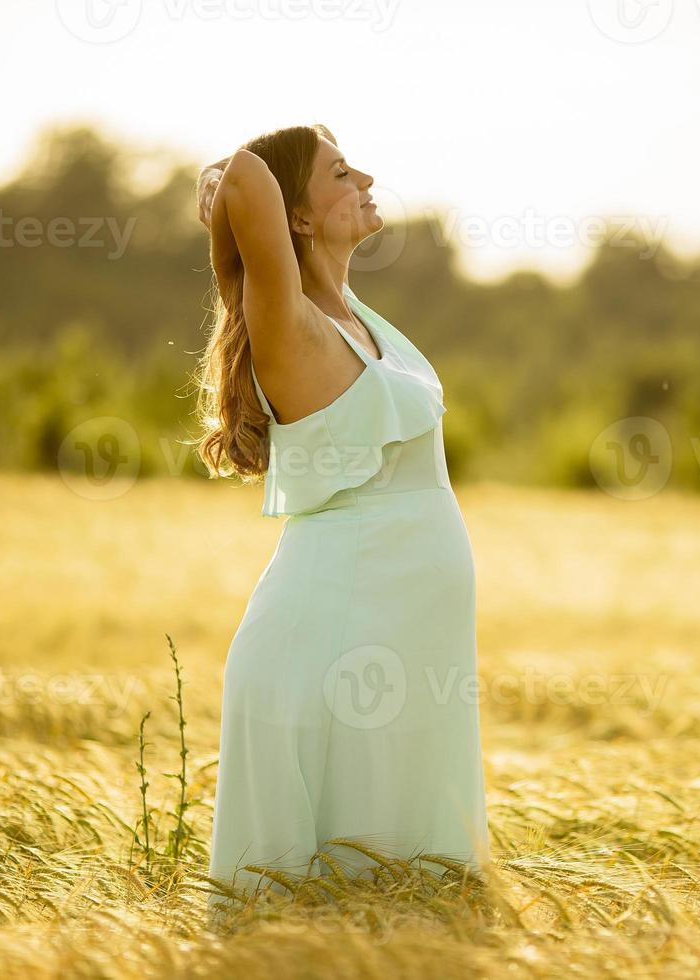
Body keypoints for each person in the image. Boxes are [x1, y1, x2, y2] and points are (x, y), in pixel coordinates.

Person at [190, 125, 490, 912]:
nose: (365, 176)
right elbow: (249, 176)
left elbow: (257, 185)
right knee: (323, 913)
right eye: (338, 171)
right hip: (336, 650)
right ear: (297, 217)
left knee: (410, 909)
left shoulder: (352, 315)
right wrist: (222, 187)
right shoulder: (288, 322)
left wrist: (236, 198)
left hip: (402, 653)